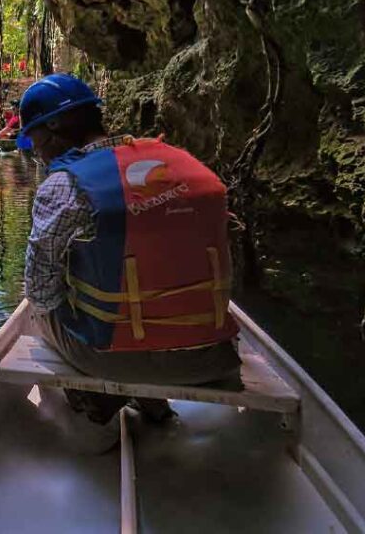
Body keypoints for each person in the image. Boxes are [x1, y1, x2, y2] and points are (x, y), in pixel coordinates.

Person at [20, 73, 240, 450]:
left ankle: (95, 403)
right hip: (213, 354)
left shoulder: (63, 185)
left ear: (53, 128)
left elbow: (40, 290)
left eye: (35, 140)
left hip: (112, 359)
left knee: (33, 305)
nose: (36, 152)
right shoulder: (186, 163)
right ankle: (154, 405)